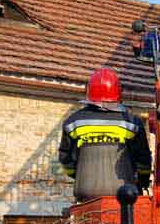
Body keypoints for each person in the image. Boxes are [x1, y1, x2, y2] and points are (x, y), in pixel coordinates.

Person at [58, 68, 152, 202]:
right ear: (119, 93)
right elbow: (143, 160)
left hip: (85, 192)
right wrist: (142, 181)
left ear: (89, 92)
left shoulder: (73, 122)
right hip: (125, 194)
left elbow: (65, 159)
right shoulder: (132, 123)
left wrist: (79, 176)